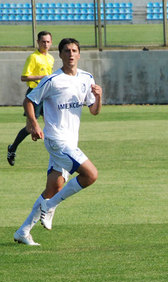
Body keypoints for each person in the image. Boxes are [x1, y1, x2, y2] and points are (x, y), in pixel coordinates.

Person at [13, 38, 102, 246]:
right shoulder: (52, 80)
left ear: (79, 54)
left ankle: (23, 231)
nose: (71, 54)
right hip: (56, 139)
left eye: (74, 50)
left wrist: (99, 97)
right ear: (60, 55)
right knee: (91, 174)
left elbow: (94, 111)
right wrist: (34, 123)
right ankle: (50, 205)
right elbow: (29, 101)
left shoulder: (86, 78)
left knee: (54, 188)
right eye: (66, 51)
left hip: (71, 141)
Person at [7, 31, 54, 166]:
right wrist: (41, 77)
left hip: (47, 94)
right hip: (35, 93)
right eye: (43, 41)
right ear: (38, 42)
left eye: (48, 42)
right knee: (30, 128)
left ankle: (58, 153)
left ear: (51, 43)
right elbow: (24, 77)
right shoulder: (33, 57)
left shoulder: (50, 58)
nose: (45, 44)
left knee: (53, 123)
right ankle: (12, 149)